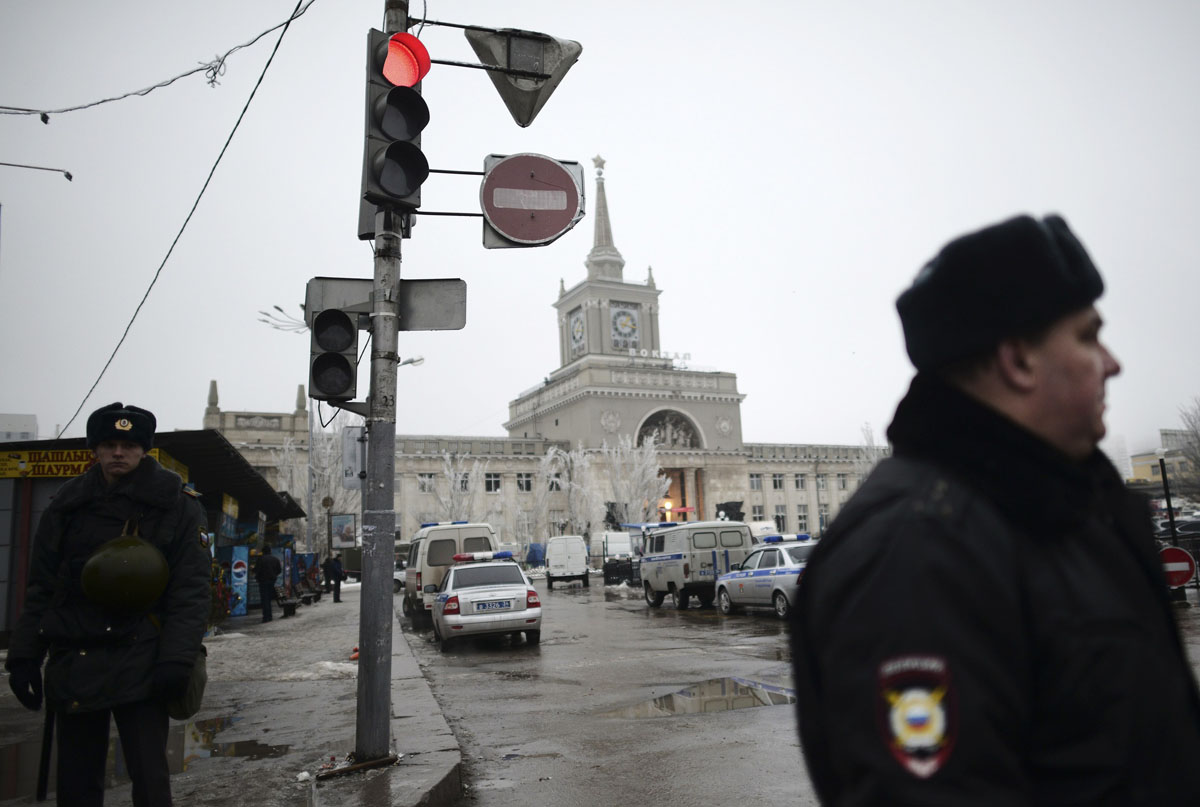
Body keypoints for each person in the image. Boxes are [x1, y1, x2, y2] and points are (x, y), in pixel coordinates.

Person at [791, 214, 1200, 805]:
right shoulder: (919, 554)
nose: (1112, 362)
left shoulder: (1064, 507)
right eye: (1087, 336)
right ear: (1018, 360)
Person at [5, 402, 211, 806]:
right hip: (76, 656)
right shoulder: (68, 504)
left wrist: (177, 660)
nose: (119, 453)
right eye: (110, 444)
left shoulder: (177, 504)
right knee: (76, 783)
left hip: (144, 656)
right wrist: (24, 655)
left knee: (149, 779)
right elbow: (43, 585)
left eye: (130, 445)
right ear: (94, 449)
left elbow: (191, 591)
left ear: (144, 450)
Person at [254, 545, 283, 623]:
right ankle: (269, 616)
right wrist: (274, 575)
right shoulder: (275, 559)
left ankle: (266, 617)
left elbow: (257, 569)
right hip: (272, 581)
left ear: (263, 551)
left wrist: (258, 576)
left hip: (263, 581)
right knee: (269, 599)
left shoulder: (260, 559)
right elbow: (279, 570)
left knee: (264, 599)